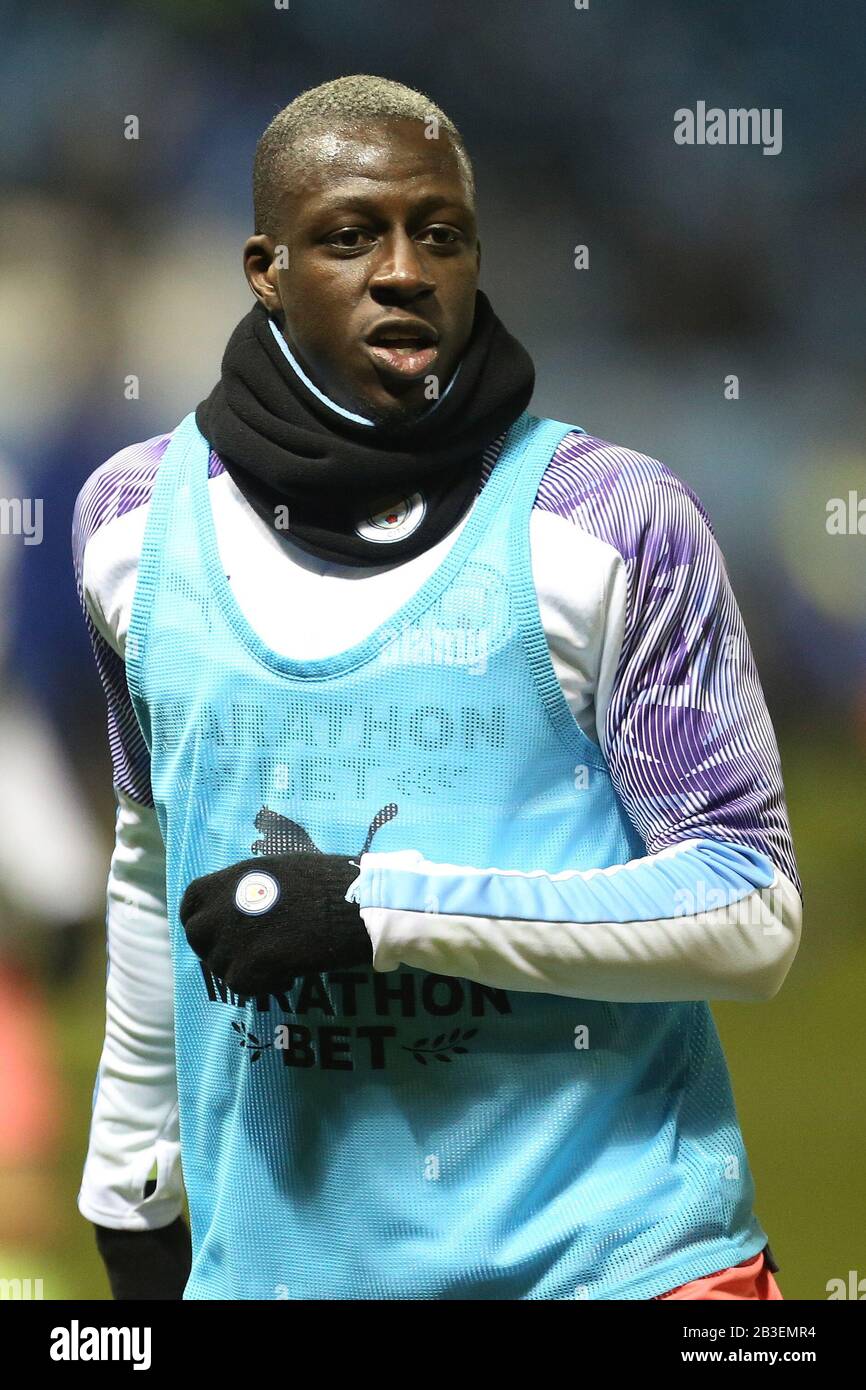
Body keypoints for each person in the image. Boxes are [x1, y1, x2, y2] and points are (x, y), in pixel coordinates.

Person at [72, 75, 801, 1301]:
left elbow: (750, 911)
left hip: (621, 1266)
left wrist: (377, 907)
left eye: (440, 234)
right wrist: (129, 1177)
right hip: (282, 1273)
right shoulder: (130, 524)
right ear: (264, 267)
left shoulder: (609, 519)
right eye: (350, 236)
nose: (404, 269)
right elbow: (155, 860)